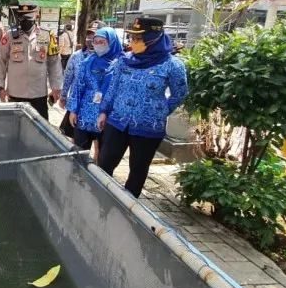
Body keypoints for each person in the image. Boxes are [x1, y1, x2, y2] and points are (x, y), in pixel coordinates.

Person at [96, 17, 188, 198]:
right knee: (105, 163)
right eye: (133, 38)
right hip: (117, 122)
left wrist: (159, 111)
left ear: (154, 38)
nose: (134, 42)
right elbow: (113, 88)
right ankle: (98, 197)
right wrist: (104, 112)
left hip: (148, 128)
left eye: (139, 38)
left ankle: (128, 207)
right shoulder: (125, 60)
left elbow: (180, 93)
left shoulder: (172, 65)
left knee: (137, 170)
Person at [0, 1, 63, 120]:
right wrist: (0, 87)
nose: (24, 20)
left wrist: (56, 87)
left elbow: (54, 63)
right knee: (14, 127)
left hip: (38, 94)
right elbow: (0, 61)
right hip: (15, 93)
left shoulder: (47, 36)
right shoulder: (9, 36)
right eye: (21, 17)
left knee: (40, 129)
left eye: (28, 17)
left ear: (36, 16)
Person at [67, 27, 123, 157]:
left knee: (104, 157)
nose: (98, 45)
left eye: (102, 42)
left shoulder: (121, 64)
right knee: (79, 155)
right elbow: (78, 87)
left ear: (112, 42)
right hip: (84, 115)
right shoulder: (88, 62)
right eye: (95, 42)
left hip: (107, 117)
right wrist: (73, 110)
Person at [58, 21, 105, 139]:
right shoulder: (77, 56)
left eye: (94, 35)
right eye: (88, 35)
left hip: (100, 108)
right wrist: (63, 97)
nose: (90, 39)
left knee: (99, 142)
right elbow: (68, 78)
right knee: (76, 139)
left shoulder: (109, 60)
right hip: (78, 104)